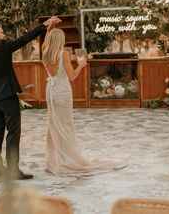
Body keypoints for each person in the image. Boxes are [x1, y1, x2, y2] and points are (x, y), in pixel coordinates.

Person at [0, 16, 61, 180]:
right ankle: (13, 170)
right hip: (8, 96)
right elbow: (24, 40)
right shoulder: (1, 47)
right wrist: (45, 24)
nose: (4, 35)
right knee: (13, 133)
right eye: (1, 32)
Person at [42, 26, 126, 175]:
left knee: (54, 125)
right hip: (62, 91)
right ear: (60, 40)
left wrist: (50, 27)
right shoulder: (63, 54)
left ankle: (54, 161)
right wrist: (81, 64)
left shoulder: (45, 53)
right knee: (66, 125)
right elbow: (72, 76)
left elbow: (46, 42)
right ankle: (66, 160)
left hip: (50, 91)